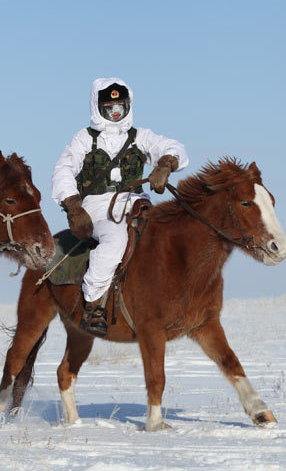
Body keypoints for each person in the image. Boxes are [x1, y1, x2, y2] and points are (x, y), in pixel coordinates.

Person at [51, 77, 188, 335]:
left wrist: (166, 164)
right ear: (98, 106)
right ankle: (94, 303)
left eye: (119, 105)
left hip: (135, 202)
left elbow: (173, 146)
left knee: (170, 233)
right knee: (115, 239)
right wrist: (72, 205)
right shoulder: (85, 139)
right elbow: (63, 170)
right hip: (97, 207)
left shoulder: (140, 136)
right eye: (109, 106)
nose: (115, 111)